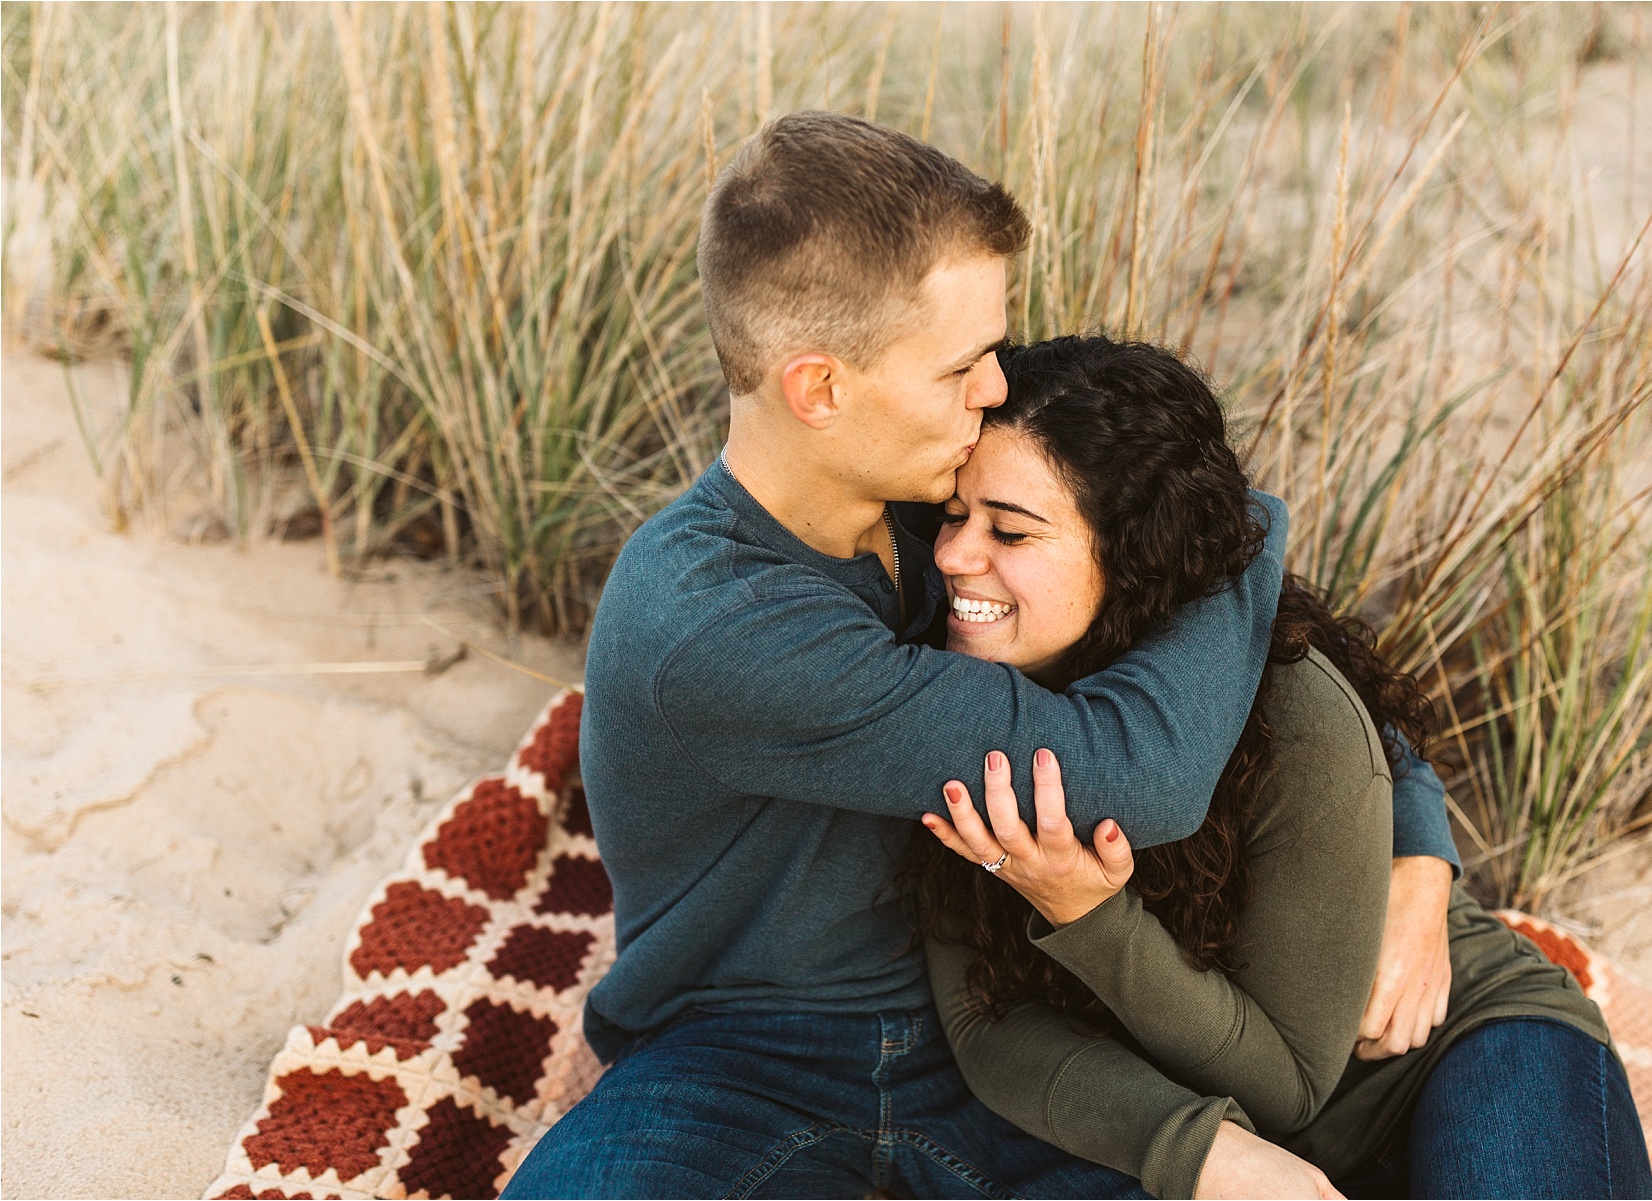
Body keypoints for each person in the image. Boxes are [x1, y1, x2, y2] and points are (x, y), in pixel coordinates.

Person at [504, 113, 1462, 1199]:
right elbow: (1131, 774)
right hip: (742, 1057)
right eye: (962, 366)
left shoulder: (949, 511)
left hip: (1008, 1039)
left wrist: (1419, 852)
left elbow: (1274, 663)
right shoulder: (711, 623)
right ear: (819, 389)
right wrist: (1242, 524)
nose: (996, 389)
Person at [912, 336, 1652, 1200]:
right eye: (953, 515)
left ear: (1131, 555)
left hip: (1447, 1050)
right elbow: (984, 1019)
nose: (954, 555)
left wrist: (1088, 913)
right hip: (1243, 1150)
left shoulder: (1293, 715)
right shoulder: (944, 688)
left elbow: (1290, 1086)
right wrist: (1189, 1146)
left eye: (1009, 529)